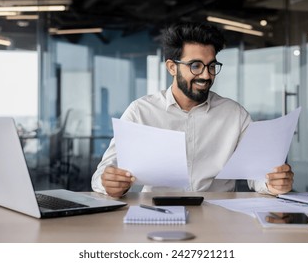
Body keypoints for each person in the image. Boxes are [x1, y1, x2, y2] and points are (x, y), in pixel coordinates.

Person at [92, 21, 294, 198]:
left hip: (220, 218)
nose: (206, 76)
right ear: (172, 67)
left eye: (211, 66)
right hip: (158, 215)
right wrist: (109, 182)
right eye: (196, 66)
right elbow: (102, 175)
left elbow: (257, 175)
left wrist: (273, 182)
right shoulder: (141, 111)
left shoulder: (235, 115)